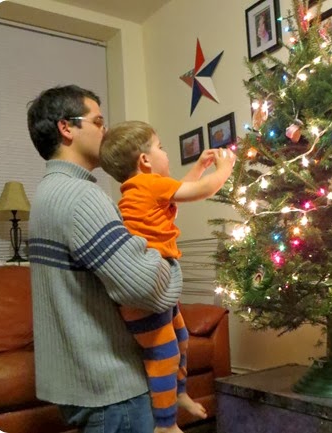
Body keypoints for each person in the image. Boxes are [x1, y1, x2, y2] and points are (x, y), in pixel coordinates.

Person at [26, 85, 183, 433]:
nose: (106, 130)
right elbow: (147, 290)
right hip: (111, 389)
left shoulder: (47, 194)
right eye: (97, 121)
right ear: (66, 128)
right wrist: (172, 263)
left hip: (78, 385)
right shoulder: (81, 197)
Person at [99, 120, 236, 433]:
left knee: (181, 339)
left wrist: (199, 167)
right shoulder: (147, 185)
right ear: (144, 161)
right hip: (146, 291)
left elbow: (176, 193)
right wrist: (223, 169)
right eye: (160, 147)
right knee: (163, 352)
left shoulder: (139, 189)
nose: (165, 153)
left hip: (156, 286)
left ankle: (180, 393)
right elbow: (198, 192)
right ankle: (165, 424)